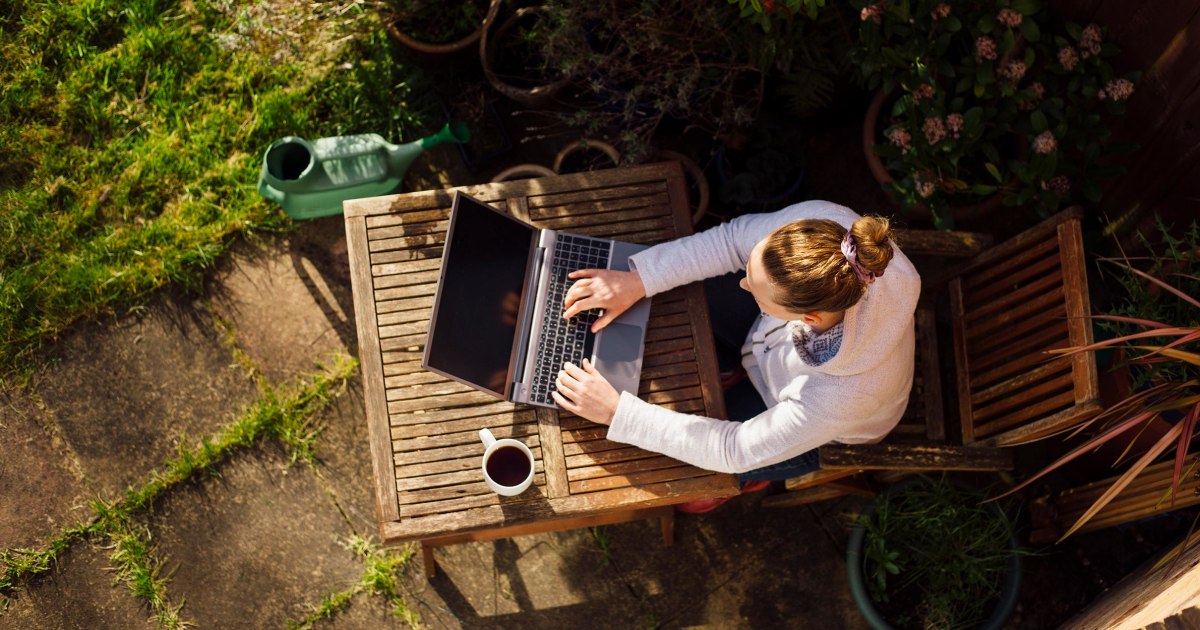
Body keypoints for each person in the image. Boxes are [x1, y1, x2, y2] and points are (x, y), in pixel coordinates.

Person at [553, 200, 920, 513]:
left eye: (757, 293)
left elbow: (735, 448)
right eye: (750, 272)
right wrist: (638, 280)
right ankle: (738, 364)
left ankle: (758, 474)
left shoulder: (841, 397)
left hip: (823, 427)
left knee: (688, 490)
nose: (743, 284)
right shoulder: (825, 233)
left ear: (809, 318)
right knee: (690, 291)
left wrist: (617, 413)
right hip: (774, 347)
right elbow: (730, 241)